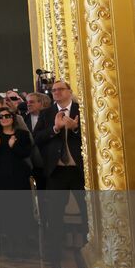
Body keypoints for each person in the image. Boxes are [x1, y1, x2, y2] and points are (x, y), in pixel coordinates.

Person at [35, 80, 86, 252]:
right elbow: (37, 138)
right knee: (54, 212)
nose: (56, 92)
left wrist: (75, 128)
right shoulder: (46, 114)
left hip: (79, 169)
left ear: (70, 92)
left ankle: (89, 246)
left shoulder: (82, 110)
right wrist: (55, 129)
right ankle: (55, 249)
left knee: (87, 209)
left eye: (60, 89)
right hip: (56, 170)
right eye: (53, 90)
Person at [0, 103, 36, 256]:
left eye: (7, 116)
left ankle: (22, 242)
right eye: (1, 117)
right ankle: (11, 242)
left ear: (13, 118)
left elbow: (25, 153)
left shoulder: (21, 134)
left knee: (21, 208)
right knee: (5, 208)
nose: (4, 119)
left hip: (19, 176)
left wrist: (12, 146)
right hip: (0, 177)